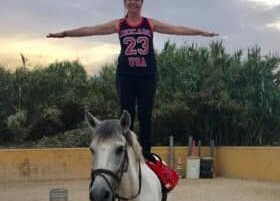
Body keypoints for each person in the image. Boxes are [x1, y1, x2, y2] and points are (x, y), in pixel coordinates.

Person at [47, 0, 218, 189]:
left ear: (142, 3)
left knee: (145, 115)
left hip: (147, 76)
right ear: (125, 3)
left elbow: (176, 29)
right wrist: (64, 34)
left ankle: (145, 154)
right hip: (126, 76)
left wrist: (201, 32)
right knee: (127, 114)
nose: (133, 2)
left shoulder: (150, 24)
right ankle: (127, 149)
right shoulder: (119, 24)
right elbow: (90, 30)